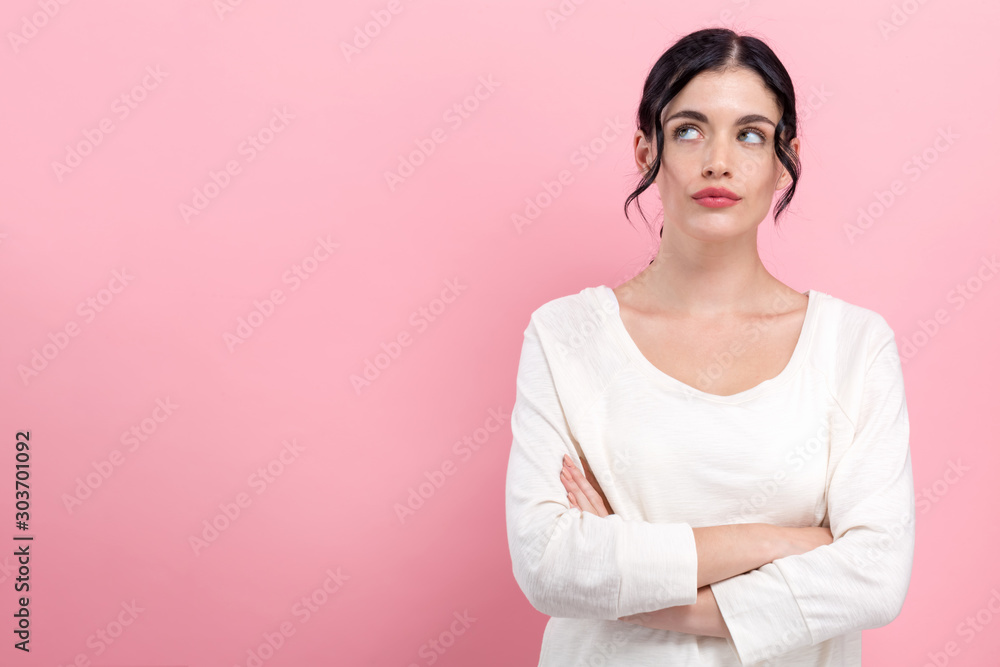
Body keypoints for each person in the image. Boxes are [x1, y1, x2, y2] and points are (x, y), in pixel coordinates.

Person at [504, 27, 915, 667]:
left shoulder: (853, 346)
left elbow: (876, 576)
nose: (718, 160)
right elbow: (549, 565)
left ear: (786, 158)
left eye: (750, 134)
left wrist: (628, 576)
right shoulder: (565, 336)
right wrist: (789, 542)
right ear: (646, 149)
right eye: (689, 130)